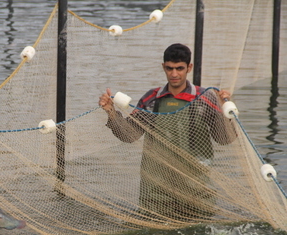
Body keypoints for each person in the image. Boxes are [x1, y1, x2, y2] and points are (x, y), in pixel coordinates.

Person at [98, 43, 237, 221]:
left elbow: (225, 139)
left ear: (189, 68)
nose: (174, 74)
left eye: (180, 68)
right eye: (170, 68)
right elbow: (129, 135)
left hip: (196, 190)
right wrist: (111, 112)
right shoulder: (151, 99)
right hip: (156, 191)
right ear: (163, 67)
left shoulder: (207, 97)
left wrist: (225, 109)